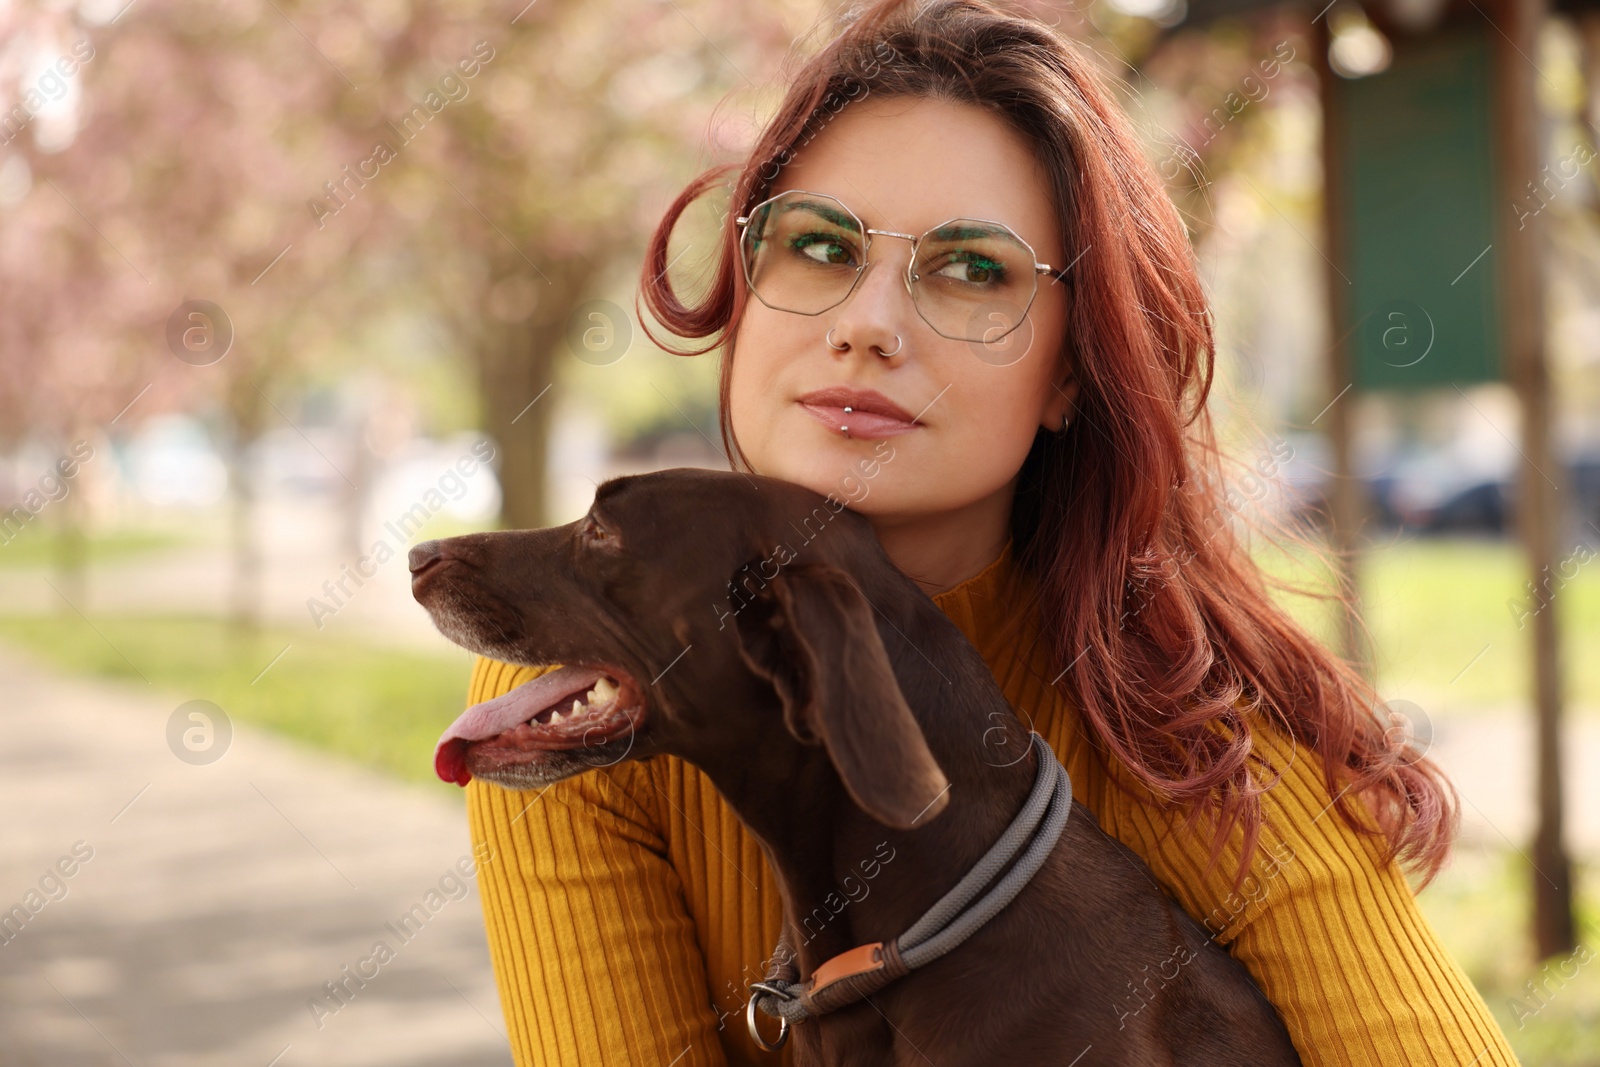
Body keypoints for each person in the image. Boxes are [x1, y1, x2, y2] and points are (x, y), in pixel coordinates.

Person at [457, 0, 1521, 1063]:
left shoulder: (1193, 730)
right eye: (819, 245)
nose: (867, 323)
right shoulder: (579, 692)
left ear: (1068, 368)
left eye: (973, 270)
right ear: (744, 286)